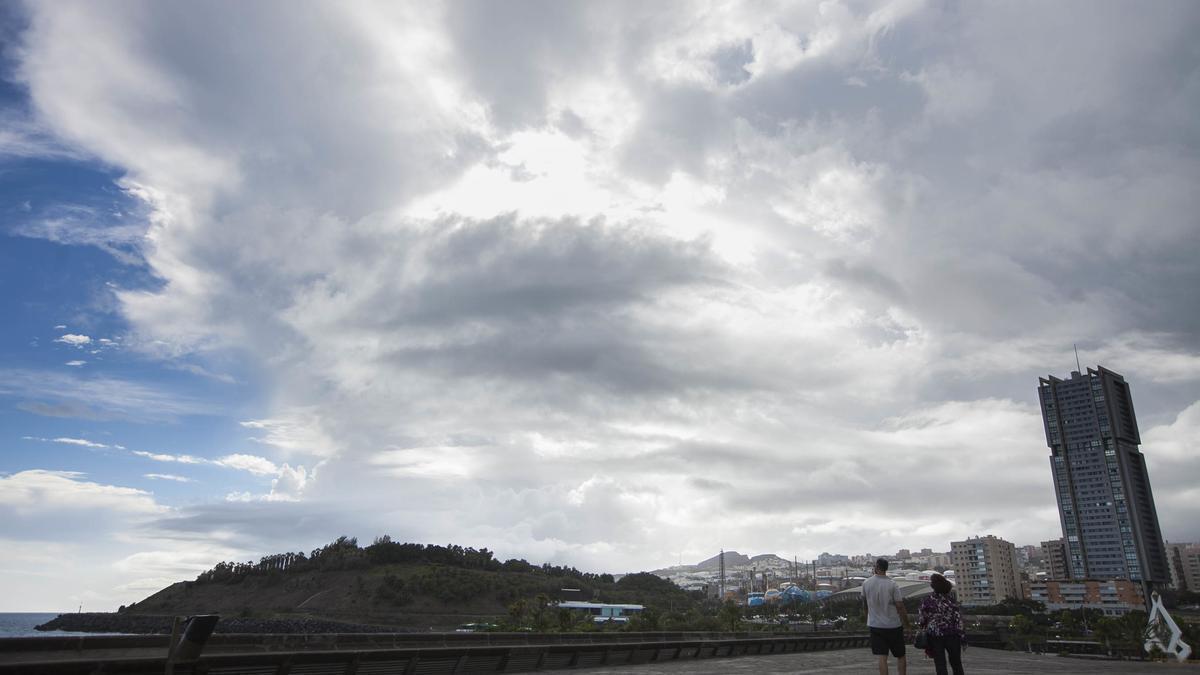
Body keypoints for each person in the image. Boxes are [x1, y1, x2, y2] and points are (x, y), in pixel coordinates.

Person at [862, 558, 911, 675]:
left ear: (876, 567)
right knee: (901, 655)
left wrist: (867, 617)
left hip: (875, 625)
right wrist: (907, 625)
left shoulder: (866, 583)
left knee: (882, 657)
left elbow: (864, 603)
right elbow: (900, 606)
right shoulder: (892, 584)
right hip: (893, 625)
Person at [918, 573, 966, 675]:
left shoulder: (927, 601)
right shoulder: (952, 602)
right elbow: (959, 621)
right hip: (952, 635)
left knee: (940, 664)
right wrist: (962, 637)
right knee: (956, 663)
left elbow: (922, 619)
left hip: (935, 635)